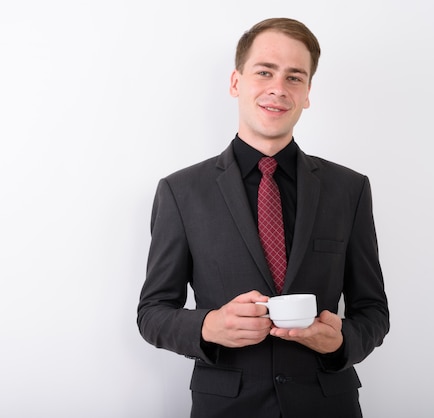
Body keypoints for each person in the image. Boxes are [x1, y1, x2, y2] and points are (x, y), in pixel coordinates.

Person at [137, 17, 390, 418]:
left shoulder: (350, 189)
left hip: (327, 404)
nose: (278, 88)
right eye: (265, 72)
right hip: (227, 406)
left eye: (294, 77)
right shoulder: (181, 191)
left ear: (307, 93)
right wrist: (208, 326)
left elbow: (374, 311)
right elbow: (152, 313)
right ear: (236, 82)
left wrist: (341, 342)